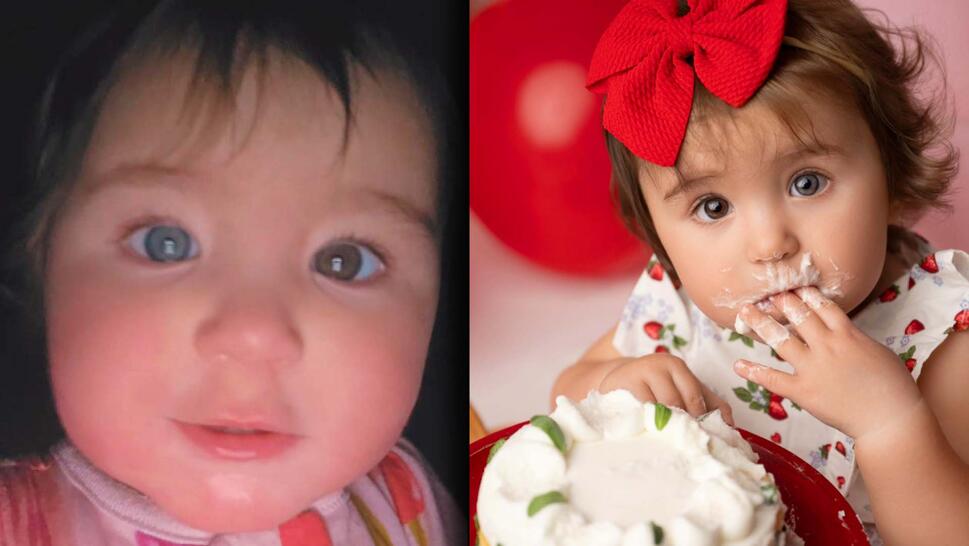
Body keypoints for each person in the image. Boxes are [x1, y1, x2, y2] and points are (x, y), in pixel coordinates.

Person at [0, 1, 462, 544]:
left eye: (345, 261)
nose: (254, 334)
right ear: (40, 264)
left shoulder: (414, 500)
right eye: (165, 243)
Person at [551, 0, 968, 542]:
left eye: (808, 183)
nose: (771, 245)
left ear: (892, 173)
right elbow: (566, 390)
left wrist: (890, 424)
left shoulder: (939, 339)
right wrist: (613, 384)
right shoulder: (679, 307)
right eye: (713, 208)